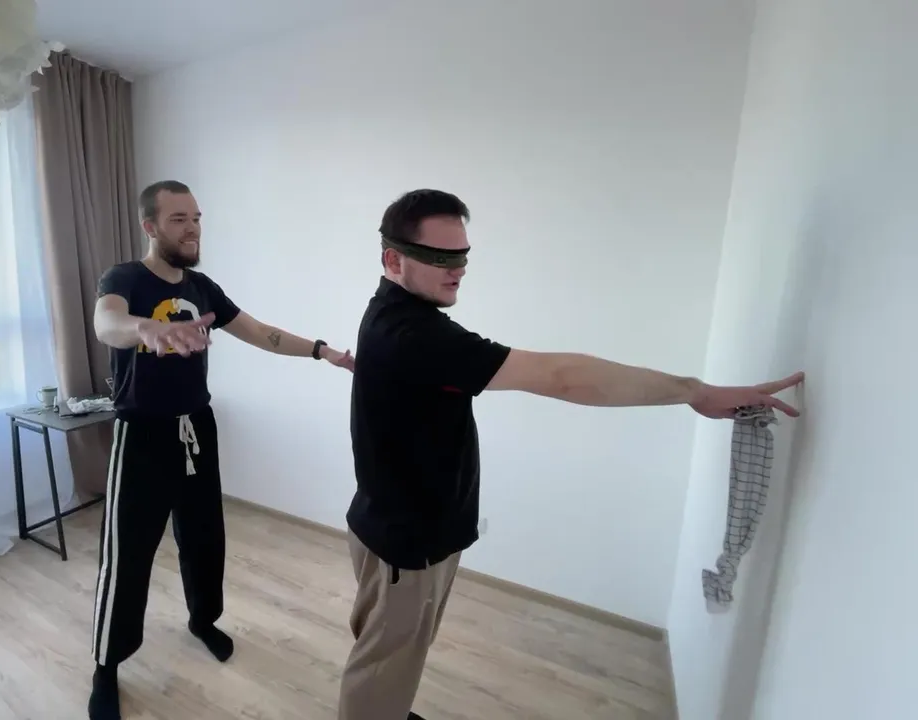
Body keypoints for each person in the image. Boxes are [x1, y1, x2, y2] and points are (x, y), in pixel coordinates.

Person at [340, 189, 804, 720]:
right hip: (407, 545)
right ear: (393, 259)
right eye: (440, 257)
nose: (459, 269)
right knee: (382, 665)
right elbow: (562, 377)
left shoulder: (393, 312)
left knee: (392, 657)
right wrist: (695, 392)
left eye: (463, 255)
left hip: (396, 526)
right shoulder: (414, 335)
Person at [88, 180, 354, 719]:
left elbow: (260, 332)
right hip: (141, 434)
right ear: (150, 226)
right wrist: (146, 329)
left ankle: (202, 619)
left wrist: (320, 350)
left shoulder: (203, 287)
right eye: (179, 219)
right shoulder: (124, 279)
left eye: (197, 218)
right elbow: (106, 323)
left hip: (196, 429)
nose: (192, 229)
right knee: (128, 554)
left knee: (205, 537)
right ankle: (106, 667)